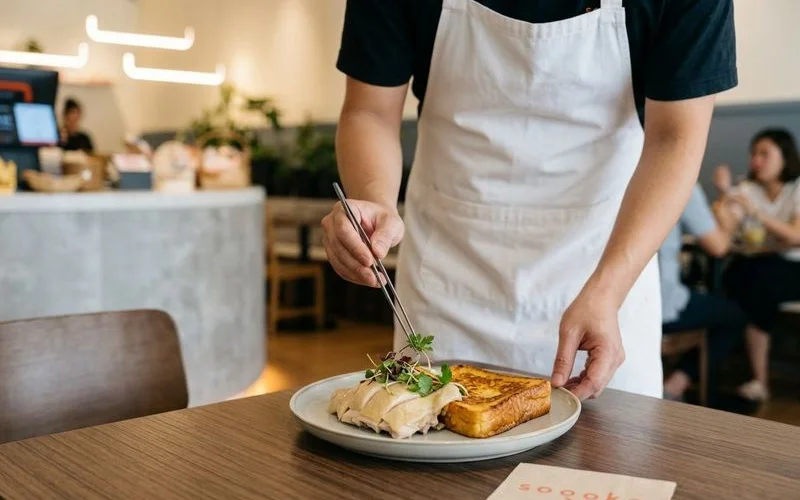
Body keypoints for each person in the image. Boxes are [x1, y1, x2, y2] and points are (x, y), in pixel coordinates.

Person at [322, 0, 737, 400]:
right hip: (451, 280)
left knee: (608, 462)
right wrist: (374, 202)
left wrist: (609, 289)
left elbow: (676, 136)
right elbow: (370, 111)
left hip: (604, 274)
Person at [716, 128, 800, 402]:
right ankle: (757, 380)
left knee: (750, 278)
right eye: (754, 153)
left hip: (791, 269)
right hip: (756, 270)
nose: (756, 160)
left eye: (765, 153)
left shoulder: (796, 187)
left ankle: (757, 379)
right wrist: (724, 196)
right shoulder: (746, 189)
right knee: (746, 274)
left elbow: (796, 237)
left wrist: (757, 214)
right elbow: (725, 233)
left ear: (785, 157)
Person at [659, 184, 746, 402]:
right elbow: (718, 246)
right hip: (660, 305)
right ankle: (675, 383)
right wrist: (730, 220)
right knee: (735, 316)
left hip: (614, 302)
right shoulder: (681, 178)